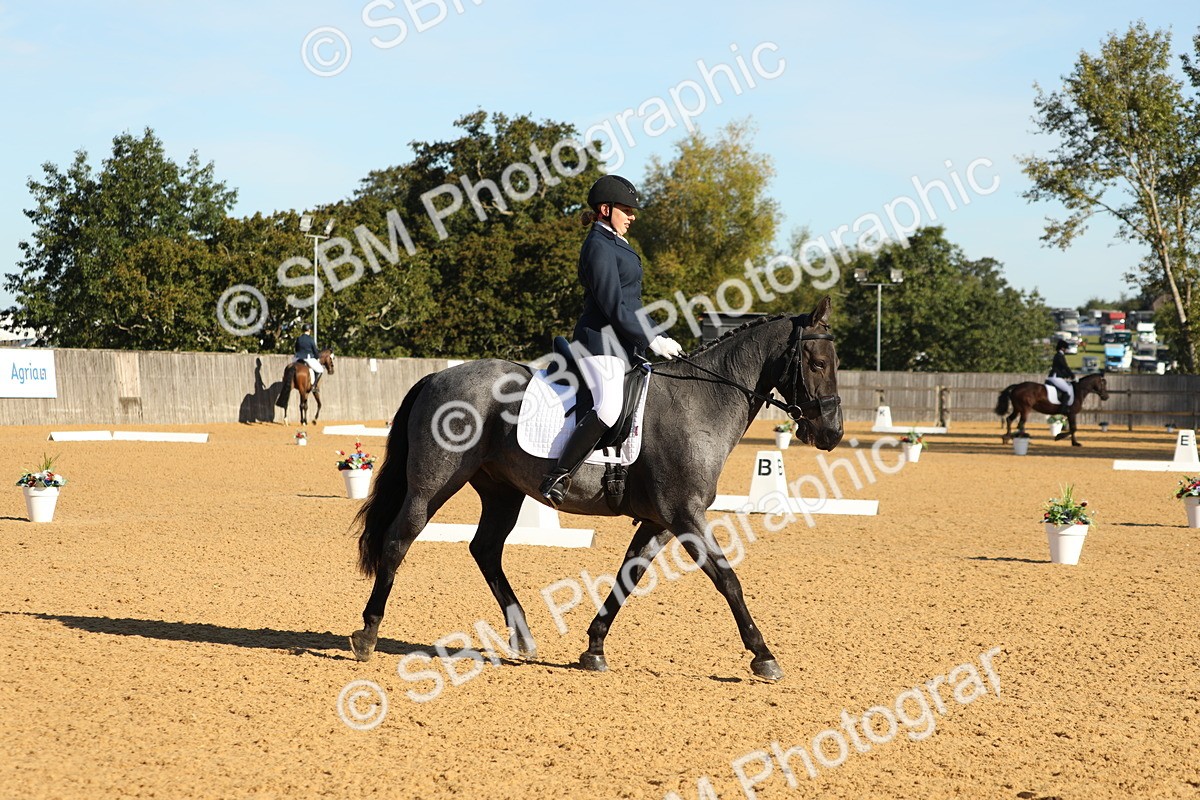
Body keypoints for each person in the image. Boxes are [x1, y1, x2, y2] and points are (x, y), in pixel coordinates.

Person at [538, 175, 684, 508]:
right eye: (626, 210)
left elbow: (632, 304)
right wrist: (649, 338)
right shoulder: (597, 245)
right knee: (607, 407)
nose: (632, 216)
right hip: (598, 343)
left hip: (623, 345)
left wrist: (657, 337)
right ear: (606, 209)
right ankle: (559, 475)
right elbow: (612, 303)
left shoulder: (618, 243)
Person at [1046, 338, 1074, 416]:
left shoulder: (1059, 355)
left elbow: (1061, 368)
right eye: (1065, 348)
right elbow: (1064, 366)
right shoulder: (1059, 355)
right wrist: (1071, 374)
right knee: (1067, 390)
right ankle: (1062, 410)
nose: (1066, 350)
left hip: (1057, 376)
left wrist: (1067, 375)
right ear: (1062, 348)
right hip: (1055, 376)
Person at [294, 324, 325, 389]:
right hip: (308, 358)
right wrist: (317, 357)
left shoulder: (298, 339)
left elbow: (296, 349)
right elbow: (315, 350)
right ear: (309, 330)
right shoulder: (310, 339)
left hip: (297, 358)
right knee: (320, 369)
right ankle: (314, 385)